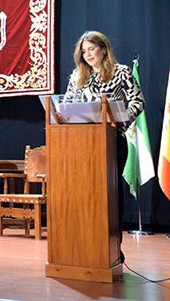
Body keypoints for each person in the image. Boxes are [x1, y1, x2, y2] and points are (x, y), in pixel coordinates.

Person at [64, 30, 145, 262]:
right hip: (83, 145)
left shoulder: (121, 72)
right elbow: (67, 107)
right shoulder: (76, 76)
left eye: (92, 49)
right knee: (87, 195)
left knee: (110, 195)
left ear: (103, 48)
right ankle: (87, 246)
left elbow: (138, 101)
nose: (88, 55)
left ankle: (112, 248)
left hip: (111, 141)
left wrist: (121, 119)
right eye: (84, 51)